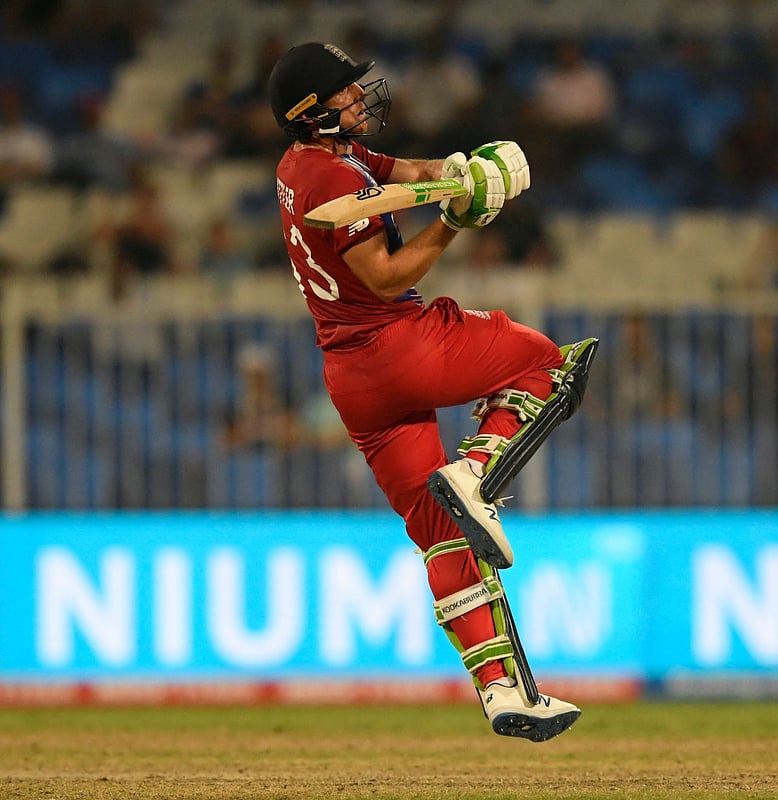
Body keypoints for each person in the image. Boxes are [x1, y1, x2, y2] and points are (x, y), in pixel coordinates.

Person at [267, 41, 595, 741]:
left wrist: (459, 171)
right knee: (549, 363)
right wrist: (457, 219)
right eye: (345, 92)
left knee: (441, 536)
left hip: (352, 380)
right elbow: (385, 278)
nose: (361, 96)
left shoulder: (306, 163)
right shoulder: (330, 178)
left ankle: (502, 692)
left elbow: (400, 173)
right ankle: (476, 471)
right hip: (397, 343)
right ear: (310, 111)